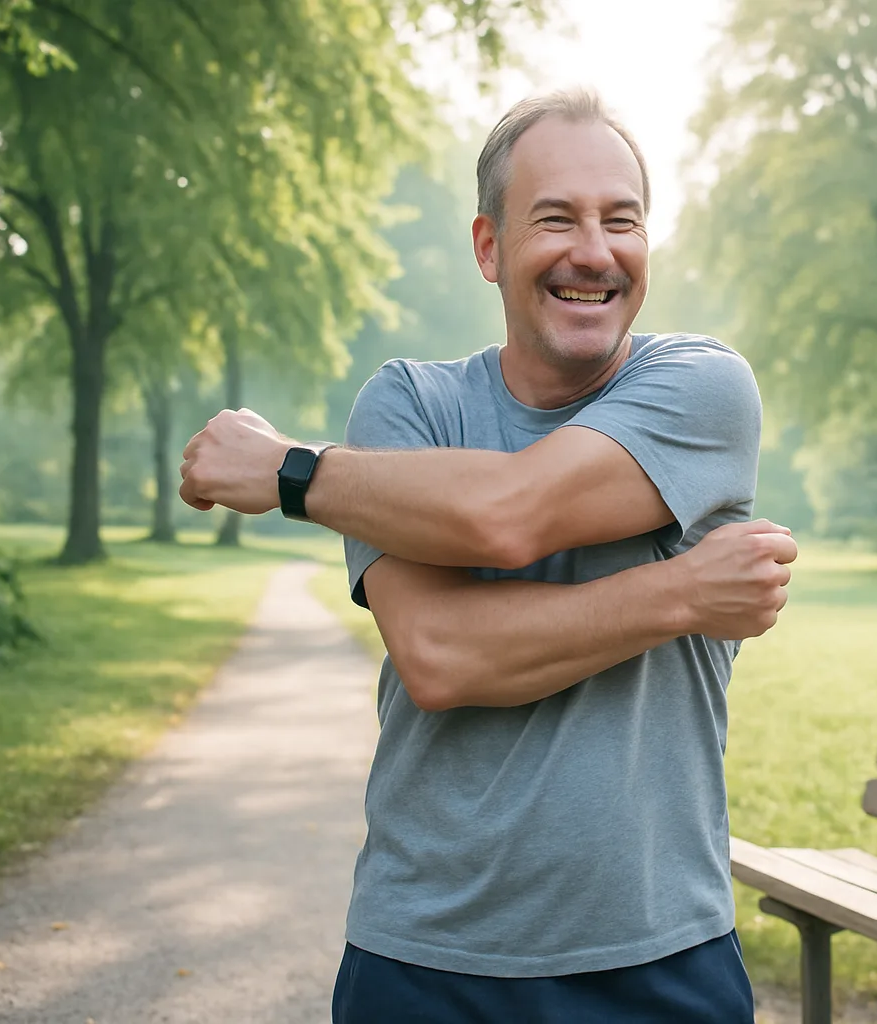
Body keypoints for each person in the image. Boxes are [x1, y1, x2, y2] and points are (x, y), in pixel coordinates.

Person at [177, 88, 795, 1023]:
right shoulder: (408, 408)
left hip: (659, 960)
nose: (594, 251)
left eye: (621, 220)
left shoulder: (704, 388)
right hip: (425, 961)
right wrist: (681, 593)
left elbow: (511, 514)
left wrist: (291, 473)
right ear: (488, 247)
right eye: (556, 219)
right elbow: (442, 656)